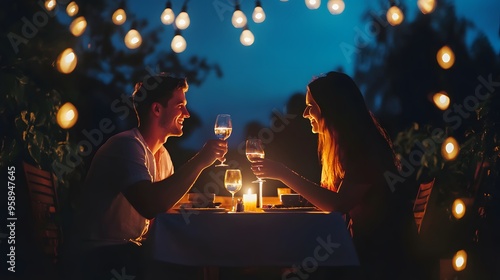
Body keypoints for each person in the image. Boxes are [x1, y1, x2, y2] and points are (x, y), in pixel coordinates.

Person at [250, 71, 421, 280]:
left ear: (331, 109)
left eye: (311, 106)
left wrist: (282, 173)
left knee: (272, 269)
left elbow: (337, 204)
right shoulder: (349, 147)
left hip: (380, 263)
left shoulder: (364, 150)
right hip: (362, 254)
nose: (305, 114)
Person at [64, 74, 228, 280]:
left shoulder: (163, 156)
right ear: (157, 109)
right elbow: (150, 205)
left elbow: (164, 211)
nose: (186, 113)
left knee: (200, 257)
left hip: (127, 253)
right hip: (98, 256)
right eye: (180, 106)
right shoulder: (126, 146)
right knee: (188, 265)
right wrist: (201, 161)